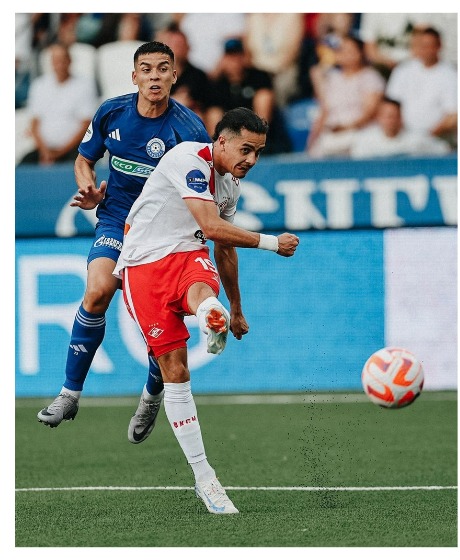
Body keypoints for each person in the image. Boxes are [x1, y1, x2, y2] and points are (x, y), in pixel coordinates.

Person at [114, 107, 300, 513]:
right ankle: (182, 441)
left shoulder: (230, 186)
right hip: (143, 264)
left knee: (200, 284)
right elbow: (213, 226)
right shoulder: (188, 160)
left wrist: (236, 308)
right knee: (175, 372)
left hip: (187, 255)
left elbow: (223, 246)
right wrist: (272, 243)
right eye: (246, 149)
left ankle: (207, 481)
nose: (251, 159)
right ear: (222, 141)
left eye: (258, 152)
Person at [37, 42, 212, 446]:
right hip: (117, 219)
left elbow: (200, 193)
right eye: (146, 69)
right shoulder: (111, 112)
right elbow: (84, 159)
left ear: (174, 76)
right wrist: (87, 188)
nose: (154, 76)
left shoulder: (189, 131)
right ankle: (69, 394)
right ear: (134, 77)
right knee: (97, 290)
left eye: (163, 68)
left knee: (161, 322)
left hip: (163, 234)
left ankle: (151, 396)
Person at [307, 34, 385, 159]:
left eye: (350, 51)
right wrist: (312, 139)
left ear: (361, 53)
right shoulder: (333, 79)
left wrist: (346, 128)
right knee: (317, 152)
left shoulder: (370, 77)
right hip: (333, 133)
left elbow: (370, 112)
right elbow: (324, 111)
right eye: (342, 50)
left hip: (360, 133)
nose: (346, 54)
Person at [20, 43, 97, 166]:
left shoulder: (84, 85)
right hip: (44, 149)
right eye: (56, 60)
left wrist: (59, 152)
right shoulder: (39, 85)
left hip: (73, 149)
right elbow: (34, 123)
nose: (59, 64)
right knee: (23, 166)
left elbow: (86, 124)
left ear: (70, 60)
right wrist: (45, 152)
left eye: (62, 59)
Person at [385, 27, 457, 146]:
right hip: (401, 139)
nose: (425, 50)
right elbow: (390, 106)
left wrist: (427, 137)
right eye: (422, 46)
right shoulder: (402, 70)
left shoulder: (450, 75)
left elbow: (453, 115)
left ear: (439, 46)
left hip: (437, 141)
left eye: (429, 46)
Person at [348, 97, 450, 159]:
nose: (390, 120)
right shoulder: (366, 140)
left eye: (394, 116)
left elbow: (443, 149)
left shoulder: (416, 139)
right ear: (378, 118)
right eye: (386, 116)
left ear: (401, 118)